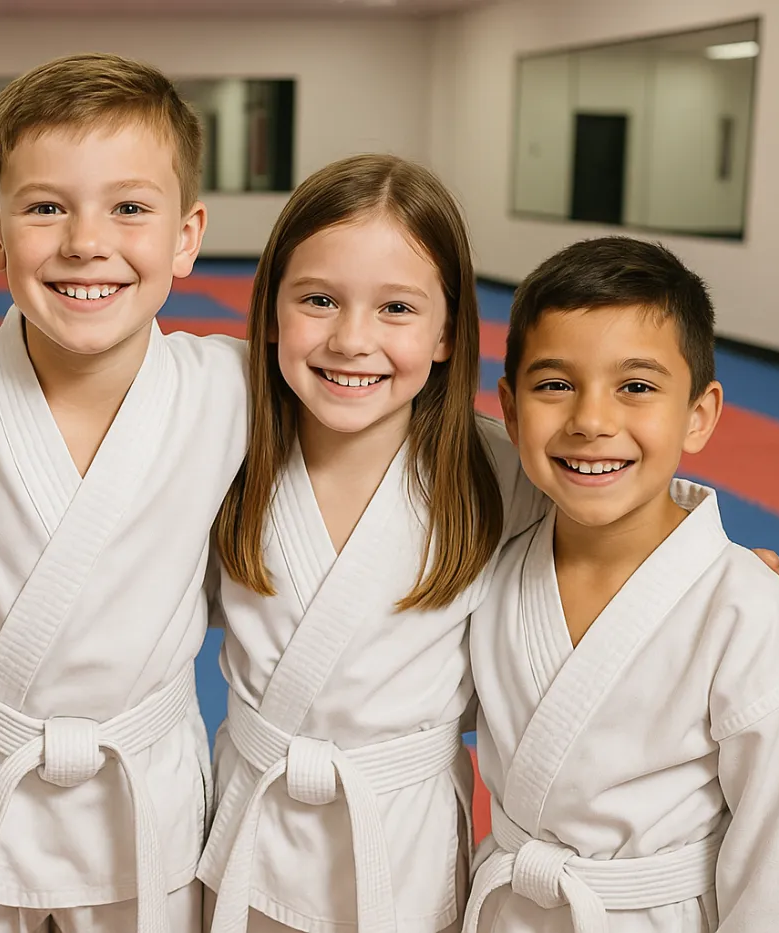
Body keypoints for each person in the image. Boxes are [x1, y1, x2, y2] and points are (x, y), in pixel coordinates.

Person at [0, 53, 246, 933]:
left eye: (130, 208)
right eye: (45, 208)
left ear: (186, 235)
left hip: (144, 802)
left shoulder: (233, 390)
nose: (85, 243)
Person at [200, 155, 545, 933]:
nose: (353, 340)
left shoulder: (499, 473)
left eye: (397, 308)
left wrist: (719, 576)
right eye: (318, 300)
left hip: (404, 848)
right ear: (270, 314)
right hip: (251, 829)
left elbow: (618, 540)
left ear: (449, 331)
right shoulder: (222, 446)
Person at [465, 236, 779, 931]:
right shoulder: (491, 573)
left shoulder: (749, 613)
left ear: (699, 413)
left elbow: (776, 858)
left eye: (636, 386)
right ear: (511, 409)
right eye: (554, 384)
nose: (591, 420)